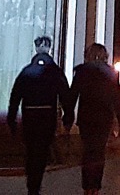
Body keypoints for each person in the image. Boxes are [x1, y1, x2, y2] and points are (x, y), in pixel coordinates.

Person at [9, 35, 73, 195]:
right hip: (47, 115)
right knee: (42, 150)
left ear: (36, 48)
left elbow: (15, 95)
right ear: (49, 48)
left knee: (31, 150)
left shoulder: (26, 71)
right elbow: (65, 94)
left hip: (29, 114)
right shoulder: (55, 71)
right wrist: (68, 117)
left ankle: (32, 184)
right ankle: (36, 181)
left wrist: (11, 118)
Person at [68, 43, 120, 194]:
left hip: (86, 118)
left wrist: (68, 117)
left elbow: (73, 95)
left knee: (88, 152)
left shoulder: (82, 72)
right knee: (99, 152)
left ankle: (87, 187)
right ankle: (95, 187)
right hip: (103, 118)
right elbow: (117, 100)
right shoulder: (110, 75)